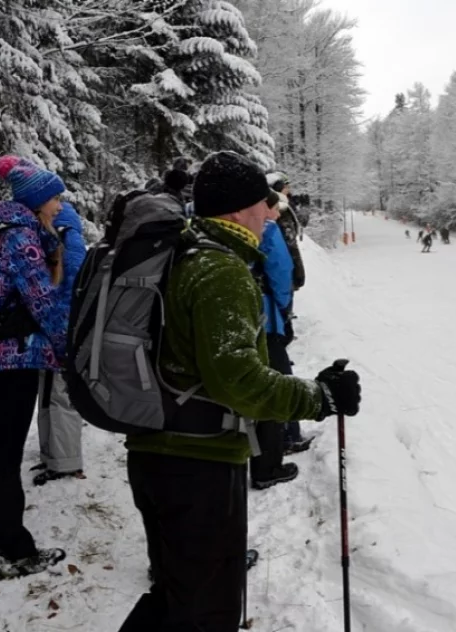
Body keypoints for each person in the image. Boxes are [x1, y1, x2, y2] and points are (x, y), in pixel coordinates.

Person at [119, 151, 361, 632]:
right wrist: (318, 397)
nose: (271, 212)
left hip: (164, 450)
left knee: (176, 596)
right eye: (263, 202)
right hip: (195, 463)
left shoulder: (192, 253)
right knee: (206, 610)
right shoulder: (220, 270)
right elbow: (239, 381)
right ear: (235, 210)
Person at [0, 155, 69, 579]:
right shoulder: (21, 239)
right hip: (15, 360)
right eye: (55, 199)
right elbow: (44, 304)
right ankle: (17, 551)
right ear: (38, 200)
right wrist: (65, 349)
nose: (59, 206)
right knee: (5, 458)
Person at [249, 192, 305, 489]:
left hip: (242, 320)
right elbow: (282, 274)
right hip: (266, 318)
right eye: (274, 208)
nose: (275, 214)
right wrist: (284, 309)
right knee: (276, 385)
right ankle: (273, 457)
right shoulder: (266, 230)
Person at [32, 201, 87, 485]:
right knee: (49, 392)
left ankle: (65, 461)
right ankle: (51, 455)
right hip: (55, 330)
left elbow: (69, 291)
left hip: (63, 331)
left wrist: (61, 333)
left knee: (61, 396)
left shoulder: (69, 242)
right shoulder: (64, 239)